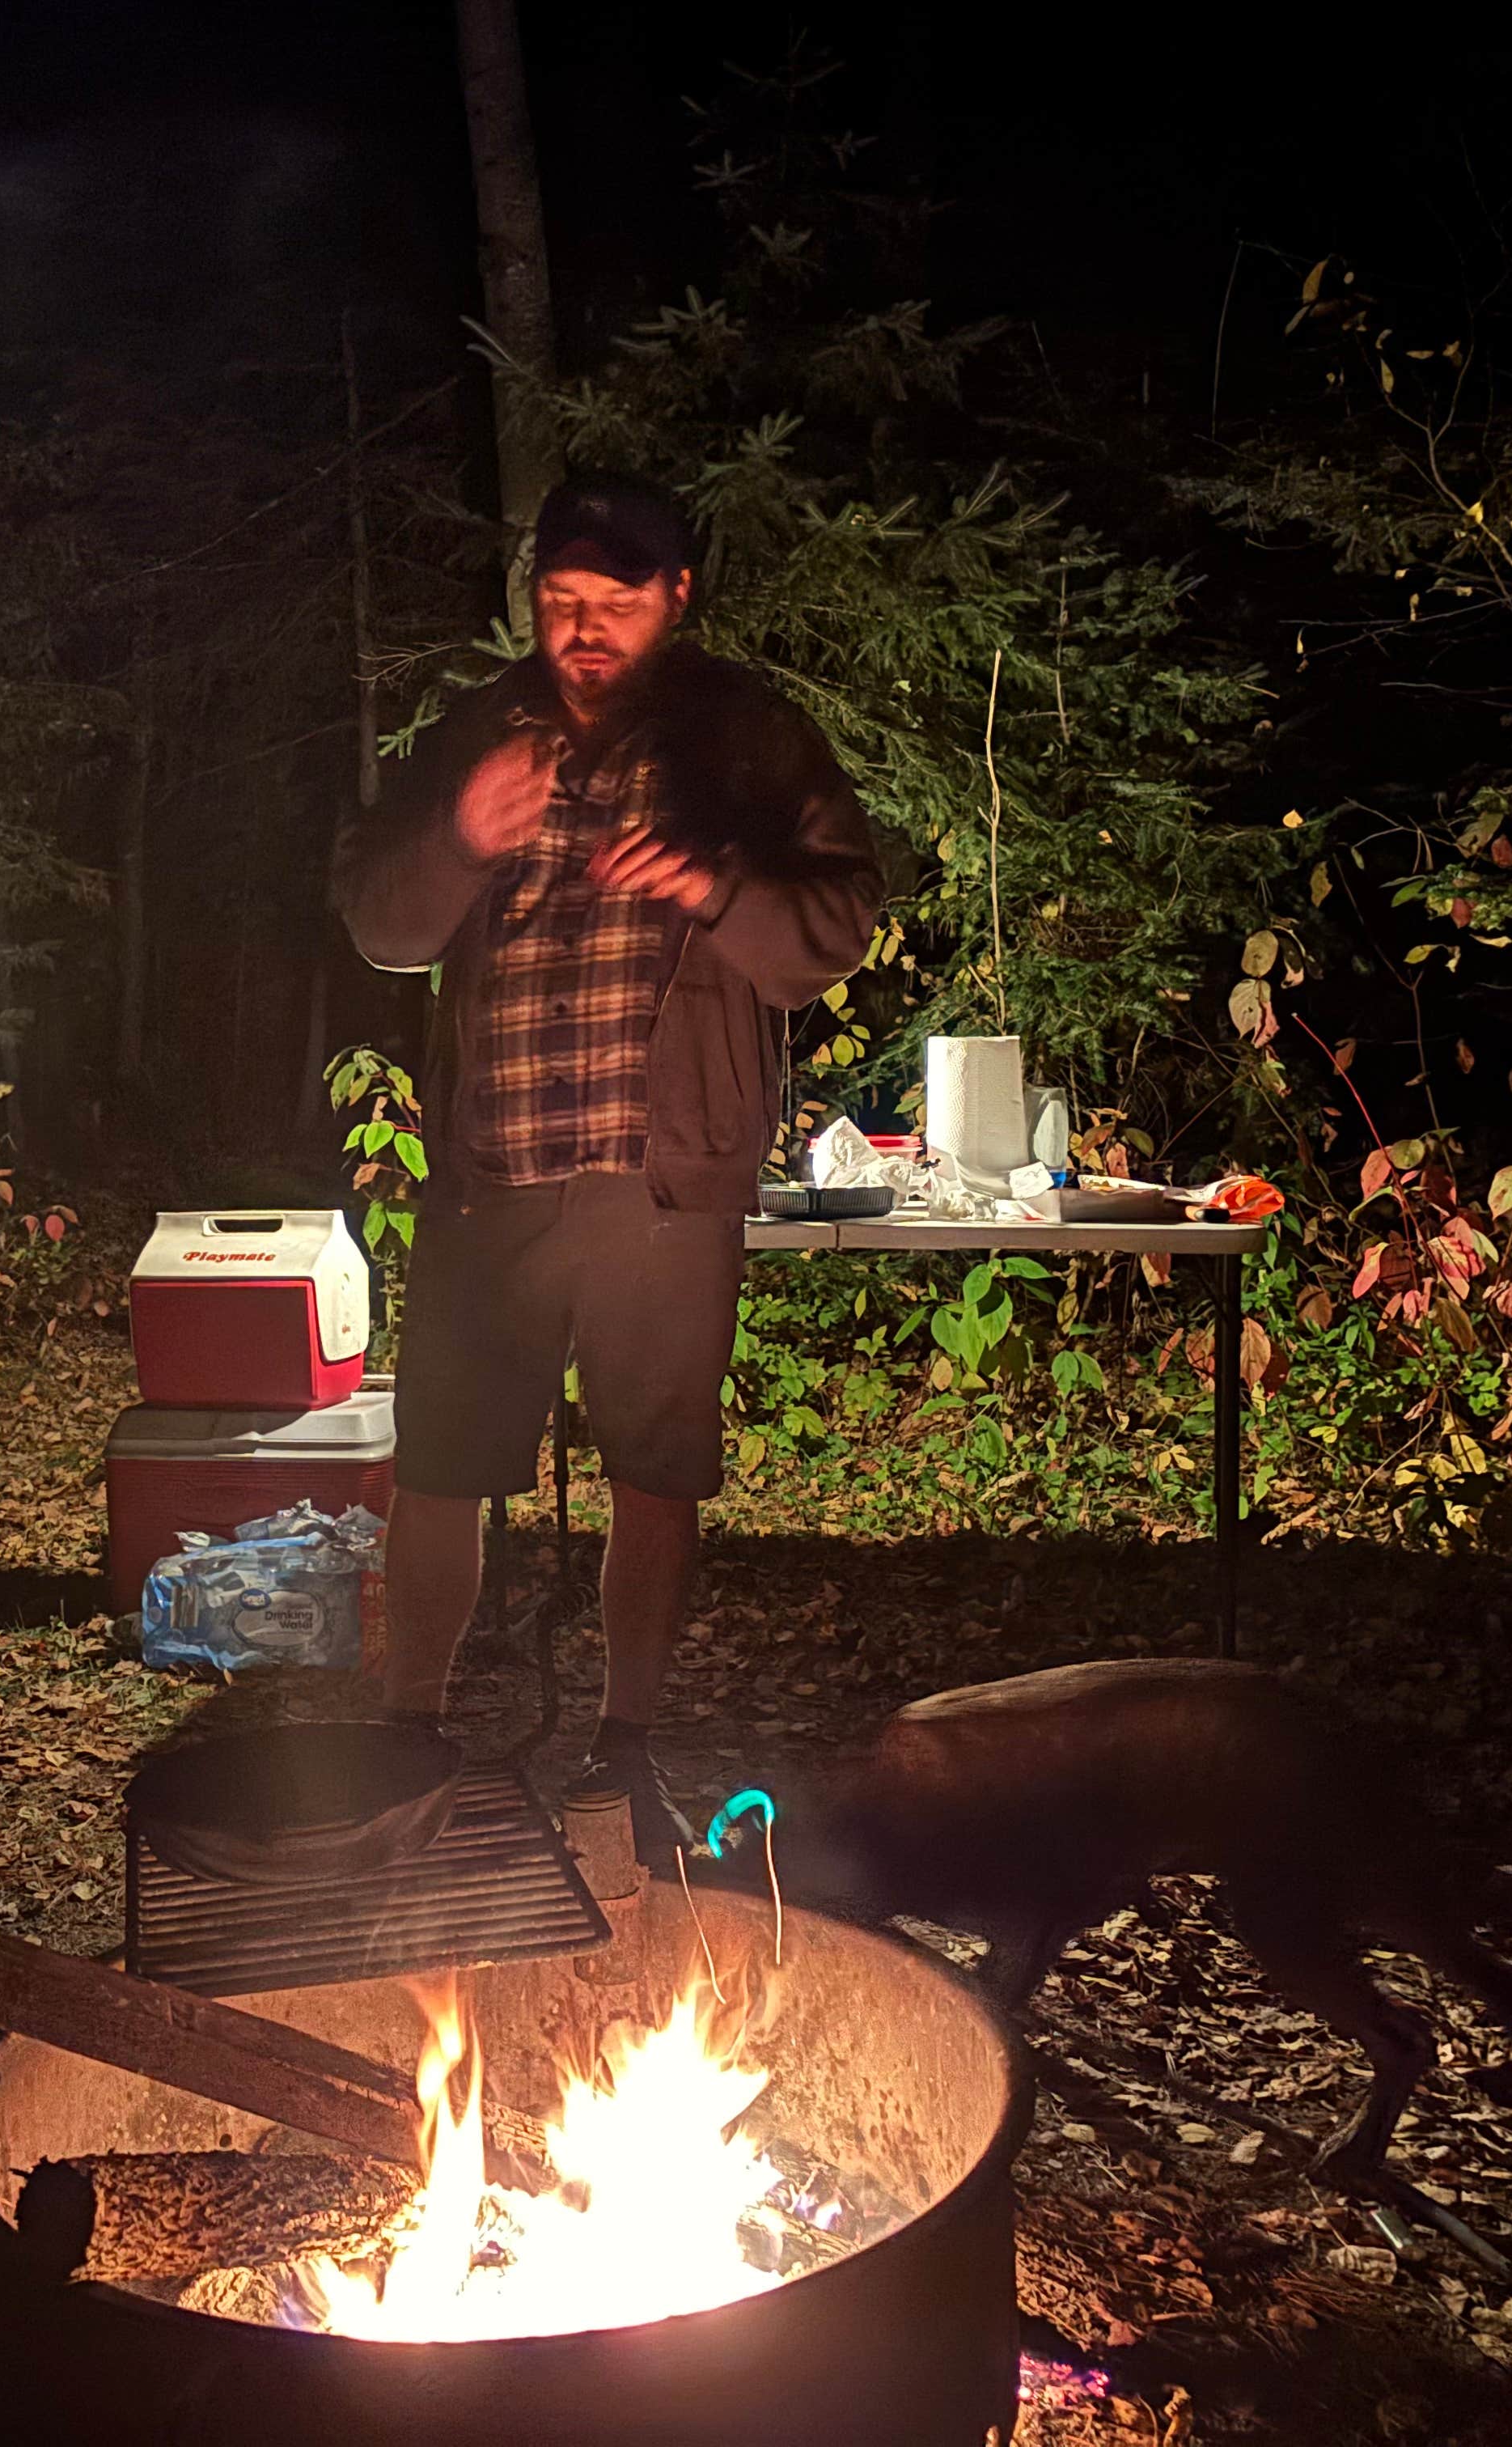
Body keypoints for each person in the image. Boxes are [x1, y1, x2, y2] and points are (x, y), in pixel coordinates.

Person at [331, 472, 890, 1853]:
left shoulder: (745, 740)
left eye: (616, 605)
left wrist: (712, 884)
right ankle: (411, 1730)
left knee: (655, 1467)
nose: (583, 630)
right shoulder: (482, 731)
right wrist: (462, 839)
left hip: (661, 1182)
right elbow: (376, 920)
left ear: (678, 599)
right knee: (443, 1461)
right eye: (562, 602)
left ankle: (622, 1743)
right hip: (492, 1170)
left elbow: (839, 927)